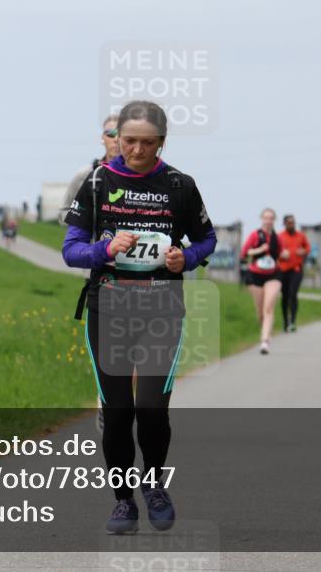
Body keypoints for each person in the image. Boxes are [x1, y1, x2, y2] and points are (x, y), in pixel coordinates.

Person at [62, 100, 216, 535]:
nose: (136, 150)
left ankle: (154, 486)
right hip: (109, 308)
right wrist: (104, 250)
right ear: (117, 138)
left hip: (161, 309)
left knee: (150, 408)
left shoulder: (179, 185)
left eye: (147, 143)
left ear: (161, 142)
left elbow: (207, 239)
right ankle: (123, 501)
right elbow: (71, 250)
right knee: (117, 413)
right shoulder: (97, 183)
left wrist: (185, 258)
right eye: (128, 140)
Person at [59, 115, 121, 226]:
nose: (116, 139)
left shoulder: (142, 175)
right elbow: (64, 212)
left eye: (121, 134)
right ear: (102, 138)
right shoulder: (86, 174)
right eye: (111, 134)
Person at [240, 209, 282, 354]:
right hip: (255, 275)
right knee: (260, 312)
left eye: (271, 218)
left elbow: (281, 253)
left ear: (274, 220)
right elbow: (245, 253)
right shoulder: (255, 235)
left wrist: (285, 254)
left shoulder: (277, 237)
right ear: (261, 219)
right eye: (266, 218)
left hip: (273, 275)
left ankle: (265, 341)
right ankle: (266, 331)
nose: (268, 220)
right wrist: (259, 250)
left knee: (268, 307)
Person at [277, 214, 310, 332]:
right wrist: (280, 254)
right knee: (285, 296)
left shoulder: (301, 236)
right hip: (283, 270)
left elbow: (307, 247)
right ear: (284, 224)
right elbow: (274, 250)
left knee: (293, 294)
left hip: (296, 269)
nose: (292, 225)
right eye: (289, 223)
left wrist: (304, 251)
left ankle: (293, 321)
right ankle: (285, 321)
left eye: (293, 223)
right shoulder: (280, 236)